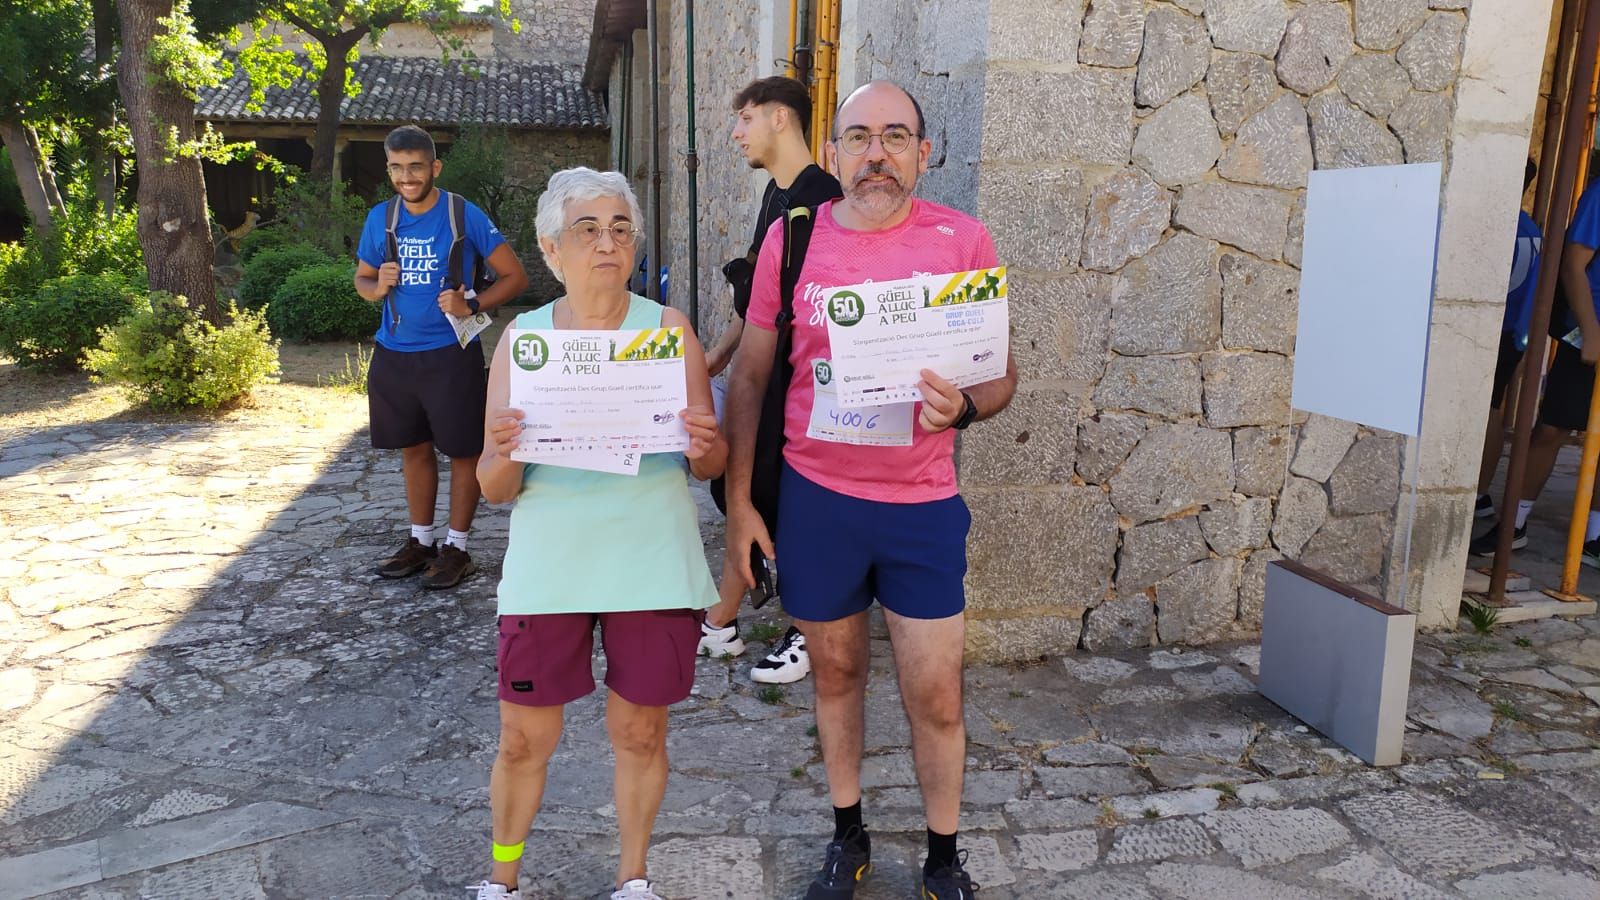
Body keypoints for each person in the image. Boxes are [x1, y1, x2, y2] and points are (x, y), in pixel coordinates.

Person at [723, 81, 1016, 900]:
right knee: (835, 675)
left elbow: (999, 378)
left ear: (924, 152)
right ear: (835, 153)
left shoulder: (963, 240)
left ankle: (943, 857)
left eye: (895, 136)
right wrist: (741, 504)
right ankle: (847, 837)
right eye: (858, 137)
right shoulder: (795, 237)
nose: (875, 153)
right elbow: (749, 376)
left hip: (921, 507)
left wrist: (964, 405)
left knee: (936, 693)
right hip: (819, 502)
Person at [467, 168, 725, 900]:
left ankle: (633, 877)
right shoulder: (525, 341)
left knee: (640, 733)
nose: (606, 242)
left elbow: (710, 462)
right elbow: (493, 488)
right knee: (523, 738)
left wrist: (706, 444)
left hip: (650, 559)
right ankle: (502, 880)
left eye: (620, 228)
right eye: (587, 229)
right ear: (552, 248)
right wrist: (503, 453)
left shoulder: (669, 331)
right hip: (551, 566)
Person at [698, 76, 844, 686]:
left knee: (794, 503)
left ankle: (805, 627)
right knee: (750, 491)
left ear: (781, 119)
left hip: (808, 391)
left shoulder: (825, 200)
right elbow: (754, 307)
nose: (736, 133)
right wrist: (713, 361)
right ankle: (721, 622)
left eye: (746, 118)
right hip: (767, 380)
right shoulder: (776, 197)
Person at [354, 124, 529, 589]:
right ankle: (421, 541)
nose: (406, 177)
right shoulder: (381, 218)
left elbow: (514, 277)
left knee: (464, 451)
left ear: (434, 167)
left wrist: (472, 304)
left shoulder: (462, 214)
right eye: (397, 168)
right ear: (389, 169)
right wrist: (378, 288)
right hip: (394, 353)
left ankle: (458, 547)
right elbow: (363, 279)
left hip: (451, 354)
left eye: (415, 167)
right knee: (413, 448)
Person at [1473, 172, 1600, 567]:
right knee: (1552, 427)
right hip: (1591, 330)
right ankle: (1513, 524)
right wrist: (1591, 330)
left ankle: (1594, 535)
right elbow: (1573, 265)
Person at [1472, 160, 1543, 529]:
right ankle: (1481, 493)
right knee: (1494, 412)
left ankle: (1475, 494)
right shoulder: (1531, 229)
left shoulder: (1496, 226)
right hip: (1514, 332)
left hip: (1489, 330)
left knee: (1484, 413)